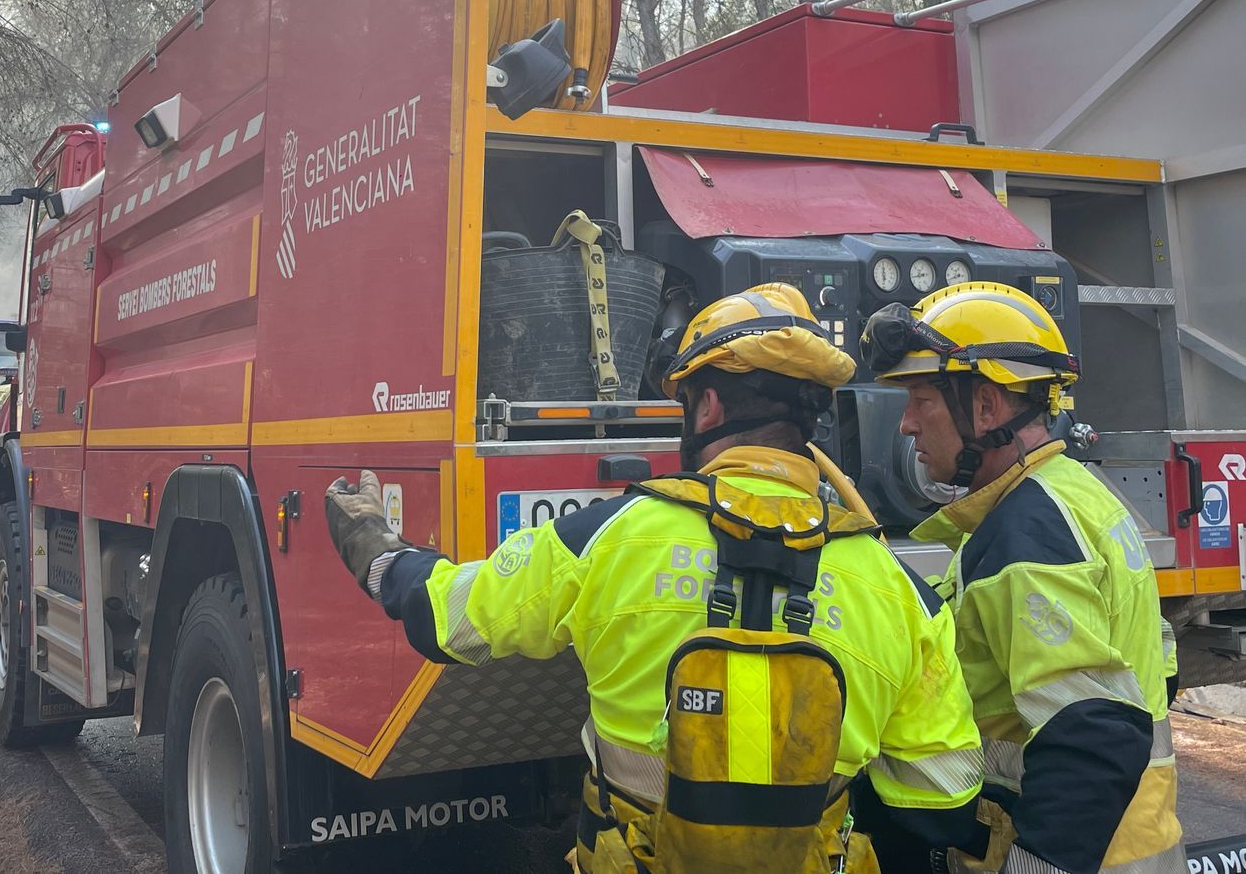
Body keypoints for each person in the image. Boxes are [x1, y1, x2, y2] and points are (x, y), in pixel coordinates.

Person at [326, 284, 983, 872]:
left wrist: (378, 551)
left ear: (707, 408)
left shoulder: (607, 540)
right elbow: (938, 792)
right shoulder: (900, 595)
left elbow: (443, 618)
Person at [864, 282, 1185, 874]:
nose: (907, 424)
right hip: (1134, 841)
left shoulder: (1026, 533)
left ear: (985, 407)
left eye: (920, 399)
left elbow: (1090, 733)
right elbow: (1158, 664)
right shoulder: (1076, 495)